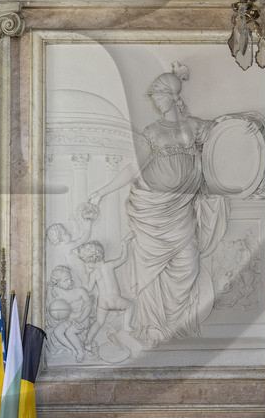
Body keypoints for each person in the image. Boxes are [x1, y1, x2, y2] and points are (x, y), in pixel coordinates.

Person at [81, 62, 228, 348]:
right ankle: (152, 326)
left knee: (189, 264)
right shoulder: (152, 132)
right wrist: (100, 192)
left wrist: (247, 123)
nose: (155, 101)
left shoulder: (195, 126)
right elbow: (131, 169)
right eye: (153, 97)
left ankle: (176, 321)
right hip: (151, 210)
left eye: (158, 95)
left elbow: (224, 136)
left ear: (173, 96)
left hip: (181, 208)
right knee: (150, 270)